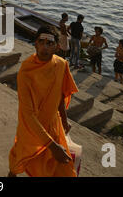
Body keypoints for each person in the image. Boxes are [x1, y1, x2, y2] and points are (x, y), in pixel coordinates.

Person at [8, 26, 78, 177]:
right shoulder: (26, 71)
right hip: (30, 127)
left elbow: (59, 95)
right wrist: (52, 146)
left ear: (57, 47)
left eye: (49, 43)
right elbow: (28, 114)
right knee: (19, 158)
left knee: (62, 170)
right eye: (41, 42)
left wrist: (64, 119)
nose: (44, 47)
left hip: (53, 124)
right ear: (35, 44)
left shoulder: (61, 65)